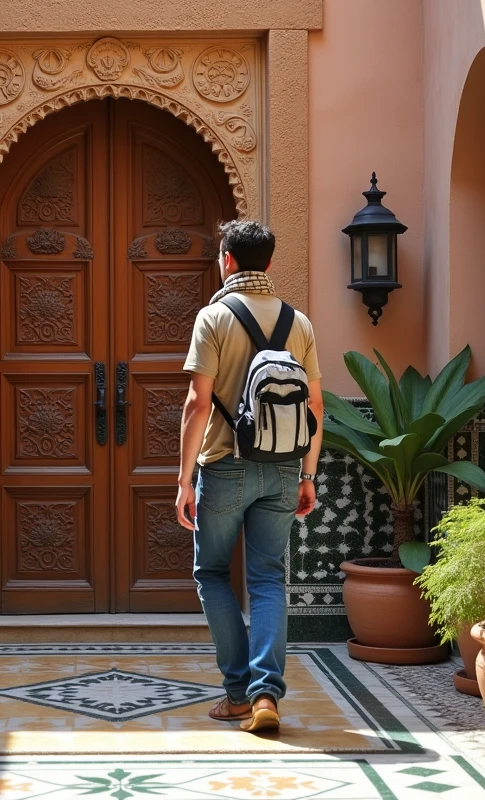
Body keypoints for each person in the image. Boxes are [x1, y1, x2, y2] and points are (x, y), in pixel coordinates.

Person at [175, 219, 323, 734]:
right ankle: (267, 694)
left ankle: (238, 693)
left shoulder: (213, 318)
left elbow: (198, 403)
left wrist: (183, 479)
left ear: (229, 260)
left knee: (212, 573)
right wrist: (308, 476)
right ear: (270, 263)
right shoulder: (298, 322)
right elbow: (317, 408)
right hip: (283, 469)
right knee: (266, 579)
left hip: (224, 467)